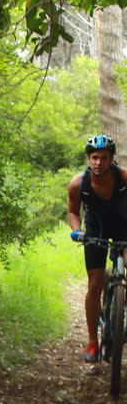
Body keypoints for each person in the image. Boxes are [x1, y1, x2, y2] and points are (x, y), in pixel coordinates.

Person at [67, 134, 127, 363]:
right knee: (95, 285)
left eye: (103, 158)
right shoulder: (78, 183)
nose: (98, 163)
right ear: (88, 158)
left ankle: (121, 313)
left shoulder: (123, 177)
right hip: (96, 231)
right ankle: (93, 341)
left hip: (124, 227)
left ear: (112, 158)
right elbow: (73, 211)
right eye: (94, 157)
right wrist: (76, 230)